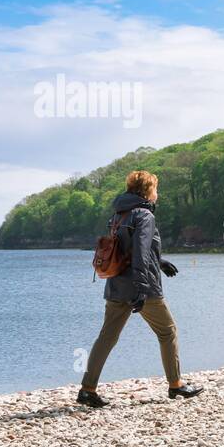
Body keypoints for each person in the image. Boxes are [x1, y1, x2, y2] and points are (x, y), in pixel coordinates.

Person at [77, 170, 203, 407]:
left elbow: (128, 248)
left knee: (107, 336)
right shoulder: (144, 215)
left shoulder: (119, 214)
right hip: (141, 286)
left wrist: (161, 262)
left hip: (116, 284)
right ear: (147, 191)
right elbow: (141, 253)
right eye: (156, 188)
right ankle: (176, 386)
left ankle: (87, 389)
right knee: (168, 332)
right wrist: (141, 289)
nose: (158, 192)